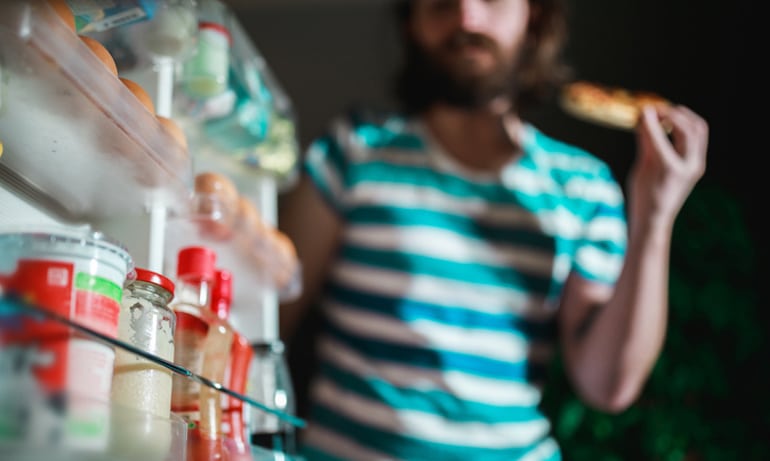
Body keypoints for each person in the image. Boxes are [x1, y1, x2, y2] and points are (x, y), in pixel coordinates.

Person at [277, 0, 709, 459]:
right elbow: (265, 316)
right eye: (441, 3)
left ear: (533, 17)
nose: (467, 17)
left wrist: (655, 216)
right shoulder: (353, 151)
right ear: (412, 23)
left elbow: (608, 387)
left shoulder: (582, 188)